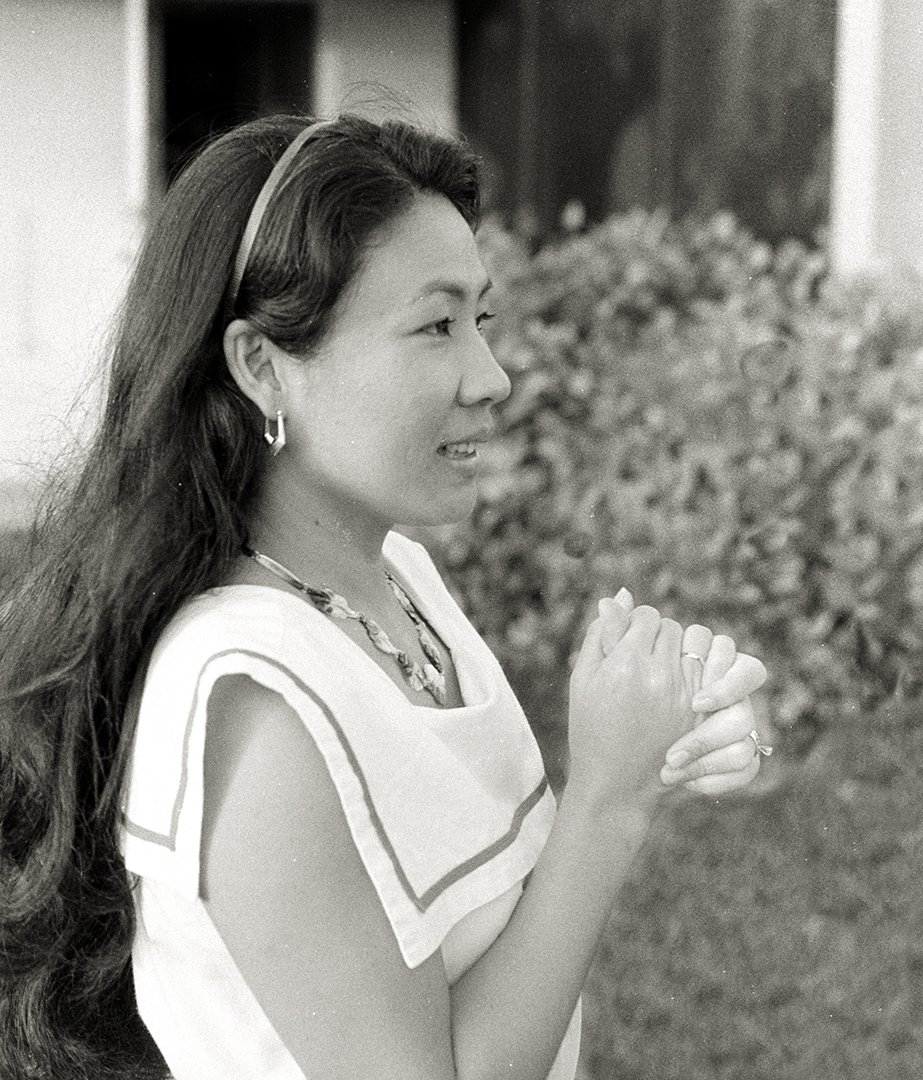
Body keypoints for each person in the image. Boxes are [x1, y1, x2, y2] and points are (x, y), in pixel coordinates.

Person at [0, 112, 772, 1080]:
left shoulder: (394, 579)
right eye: (435, 326)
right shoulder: (250, 709)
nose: (491, 377)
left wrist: (650, 736)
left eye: (481, 320)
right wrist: (605, 801)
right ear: (261, 367)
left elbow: (494, 940)